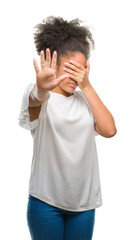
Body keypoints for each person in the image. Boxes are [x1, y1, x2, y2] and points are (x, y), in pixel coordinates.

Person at [18, 16, 117, 240]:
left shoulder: (86, 101)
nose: (75, 76)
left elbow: (110, 130)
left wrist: (87, 85)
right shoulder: (39, 96)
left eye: (81, 70)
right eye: (70, 69)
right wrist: (42, 88)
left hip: (83, 205)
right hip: (46, 203)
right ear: (54, 65)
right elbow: (35, 99)